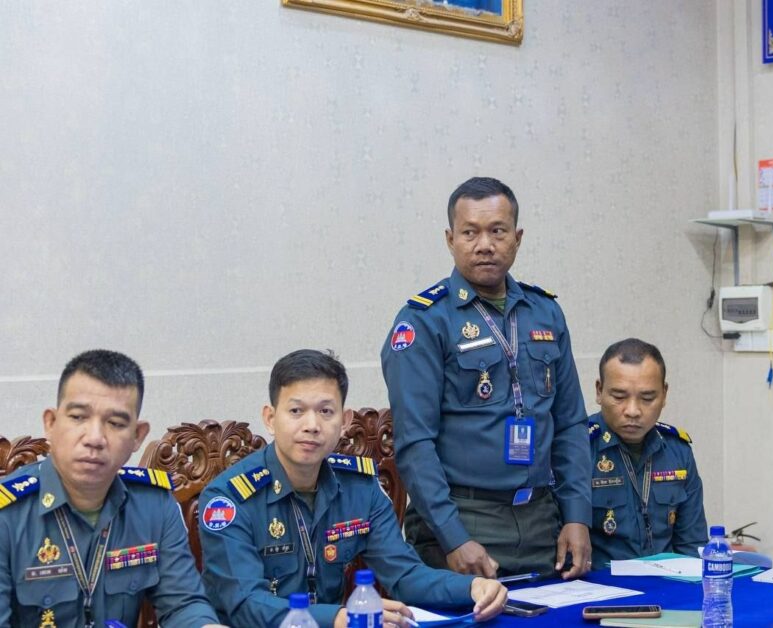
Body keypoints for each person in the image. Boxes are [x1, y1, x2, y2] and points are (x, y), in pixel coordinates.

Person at [199, 349, 506, 628]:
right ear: (270, 418)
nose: (312, 425)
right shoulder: (229, 499)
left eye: (326, 411)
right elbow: (244, 604)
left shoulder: (359, 487)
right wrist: (336, 617)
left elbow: (405, 575)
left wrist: (472, 587)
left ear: (344, 421)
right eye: (296, 411)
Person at [380, 176, 592, 580]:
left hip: (543, 520)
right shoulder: (424, 321)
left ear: (518, 237)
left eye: (497, 231)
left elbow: (570, 424)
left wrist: (577, 515)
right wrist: (452, 538)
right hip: (464, 520)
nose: (484, 244)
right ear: (450, 239)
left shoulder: (545, 312)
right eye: (470, 232)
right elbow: (415, 444)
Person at [0, 349, 223, 628]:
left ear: (137, 436)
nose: (95, 438)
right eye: (78, 417)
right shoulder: (8, 514)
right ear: (51, 423)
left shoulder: (153, 504)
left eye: (115, 423)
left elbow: (183, 604)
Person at [589, 338, 707, 563]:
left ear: (664, 394)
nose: (633, 411)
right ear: (599, 390)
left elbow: (692, 545)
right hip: (601, 582)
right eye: (619, 397)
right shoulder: (579, 449)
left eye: (647, 398)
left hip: (669, 580)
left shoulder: (678, 452)